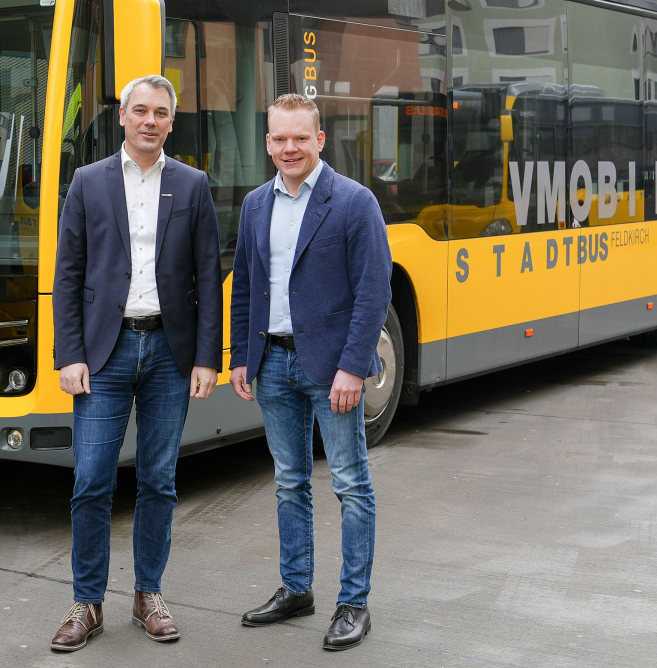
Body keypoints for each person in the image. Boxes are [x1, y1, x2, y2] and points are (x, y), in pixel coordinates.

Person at [50, 75, 223, 652]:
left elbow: (207, 277)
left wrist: (207, 358)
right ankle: (87, 603)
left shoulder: (193, 185)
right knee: (92, 480)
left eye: (162, 113)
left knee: (160, 481)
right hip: (104, 353)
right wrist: (68, 353)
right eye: (140, 111)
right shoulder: (87, 182)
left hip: (170, 355)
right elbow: (68, 276)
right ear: (121, 117)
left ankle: (148, 593)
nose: (150, 121)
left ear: (173, 122)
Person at [228, 93, 391, 651]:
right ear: (267, 142)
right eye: (278, 138)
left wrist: (352, 368)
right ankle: (297, 588)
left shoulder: (354, 201)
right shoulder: (255, 205)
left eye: (300, 137)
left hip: (331, 370)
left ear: (319, 140)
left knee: (351, 484)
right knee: (288, 482)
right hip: (271, 362)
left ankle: (353, 602)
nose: (288, 147)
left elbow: (374, 293)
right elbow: (245, 286)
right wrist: (239, 358)